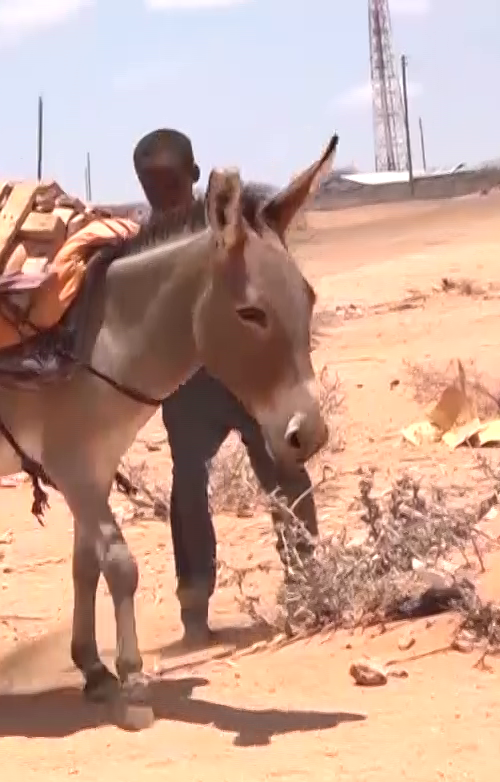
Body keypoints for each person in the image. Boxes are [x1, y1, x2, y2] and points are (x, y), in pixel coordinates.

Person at [131, 127, 321, 644]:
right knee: (199, 484)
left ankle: (300, 586)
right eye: (153, 190)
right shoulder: (153, 242)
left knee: (268, 469)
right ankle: (208, 602)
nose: (161, 199)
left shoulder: (204, 231)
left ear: (193, 178)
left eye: (165, 188)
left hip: (235, 380)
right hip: (195, 389)